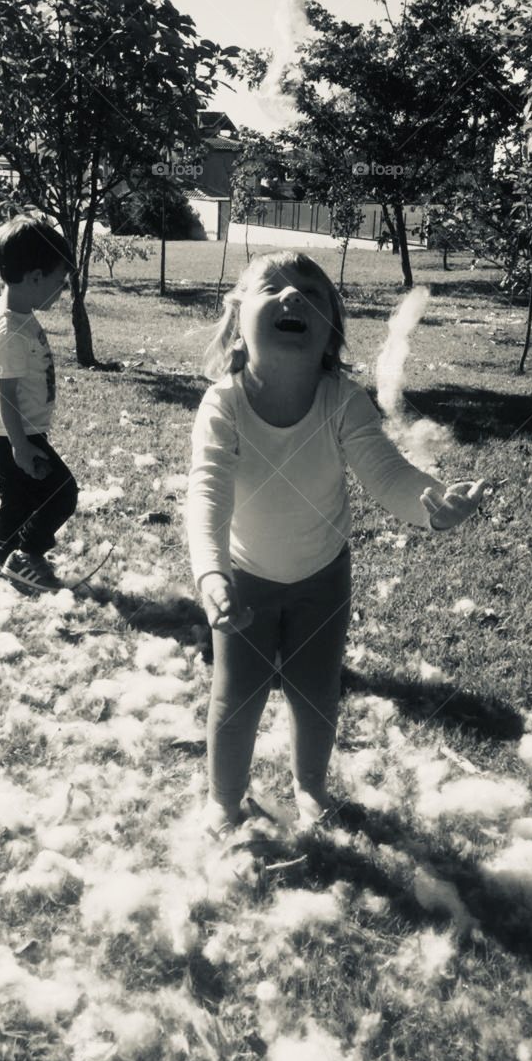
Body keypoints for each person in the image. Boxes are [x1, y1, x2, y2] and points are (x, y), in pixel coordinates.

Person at [187, 250, 490, 838]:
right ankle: (224, 799)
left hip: (322, 579)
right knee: (236, 695)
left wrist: (433, 505)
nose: (291, 296)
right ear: (236, 321)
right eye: (271, 287)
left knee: (315, 691)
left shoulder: (341, 400)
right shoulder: (223, 405)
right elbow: (207, 496)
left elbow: (388, 474)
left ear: (329, 336)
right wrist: (212, 575)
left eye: (310, 291)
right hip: (243, 579)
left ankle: (310, 789)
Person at [0, 215, 78, 592]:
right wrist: (20, 444)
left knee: (17, 500)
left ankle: (3, 561)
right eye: (59, 281)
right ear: (35, 277)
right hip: (14, 433)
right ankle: (26, 555)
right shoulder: (9, 331)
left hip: (16, 431)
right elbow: (6, 395)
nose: (63, 289)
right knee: (62, 493)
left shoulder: (13, 312)